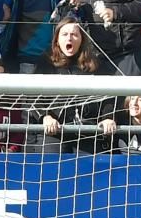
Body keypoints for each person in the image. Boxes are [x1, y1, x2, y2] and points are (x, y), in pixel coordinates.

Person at [32, 17, 115, 153]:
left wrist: (107, 117)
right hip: (56, 132)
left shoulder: (96, 64)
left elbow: (108, 97)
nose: (69, 38)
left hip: (88, 132)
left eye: (74, 34)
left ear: (82, 39)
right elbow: (32, 95)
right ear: (57, 40)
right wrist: (45, 116)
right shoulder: (45, 62)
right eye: (65, 34)